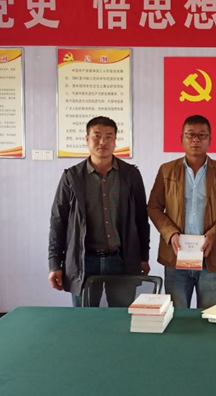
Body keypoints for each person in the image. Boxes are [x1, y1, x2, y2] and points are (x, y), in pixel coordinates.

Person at [48, 116, 150, 306]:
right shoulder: (72, 177)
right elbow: (58, 221)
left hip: (121, 260)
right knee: (84, 319)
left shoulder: (130, 175)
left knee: (121, 317)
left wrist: (143, 257)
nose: (103, 142)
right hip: (83, 261)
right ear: (87, 139)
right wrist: (55, 263)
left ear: (115, 140)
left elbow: (141, 219)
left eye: (109, 136)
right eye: (97, 136)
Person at [148, 115, 216, 309]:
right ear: (181, 138)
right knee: (177, 316)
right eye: (190, 135)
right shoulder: (166, 171)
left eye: (201, 135)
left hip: (210, 255)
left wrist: (214, 235)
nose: (195, 140)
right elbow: (154, 207)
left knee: (208, 315)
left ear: (209, 139)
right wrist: (170, 233)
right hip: (175, 255)